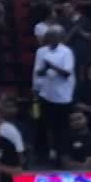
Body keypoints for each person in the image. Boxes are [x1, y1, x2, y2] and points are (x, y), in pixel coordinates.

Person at [32, 22, 76, 162]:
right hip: (45, 94)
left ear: (59, 38)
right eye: (48, 37)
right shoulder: (41, 51)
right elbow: (38, 72)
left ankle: (61, 156)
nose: (49, 39)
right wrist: (37, 85)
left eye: (52, 37)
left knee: (61, 129)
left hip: (62, 96)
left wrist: (51, 66)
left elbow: (66, 73)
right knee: (42, 124)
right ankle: (42, 156)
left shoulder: (66, 52)